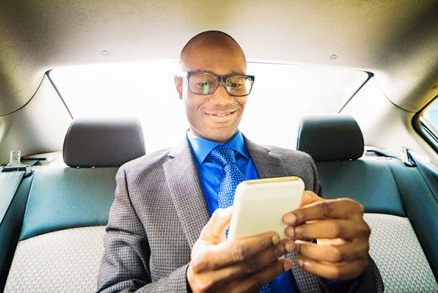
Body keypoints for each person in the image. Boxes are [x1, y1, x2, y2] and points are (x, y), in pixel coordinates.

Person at [97, 30, 383, 292]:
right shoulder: (136, 181)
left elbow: (357, 281)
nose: (222, 99)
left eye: (235, 82)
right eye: (204, 83)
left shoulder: (299, 167)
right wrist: (189, 285)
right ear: (179, 87)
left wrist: (353, 271)